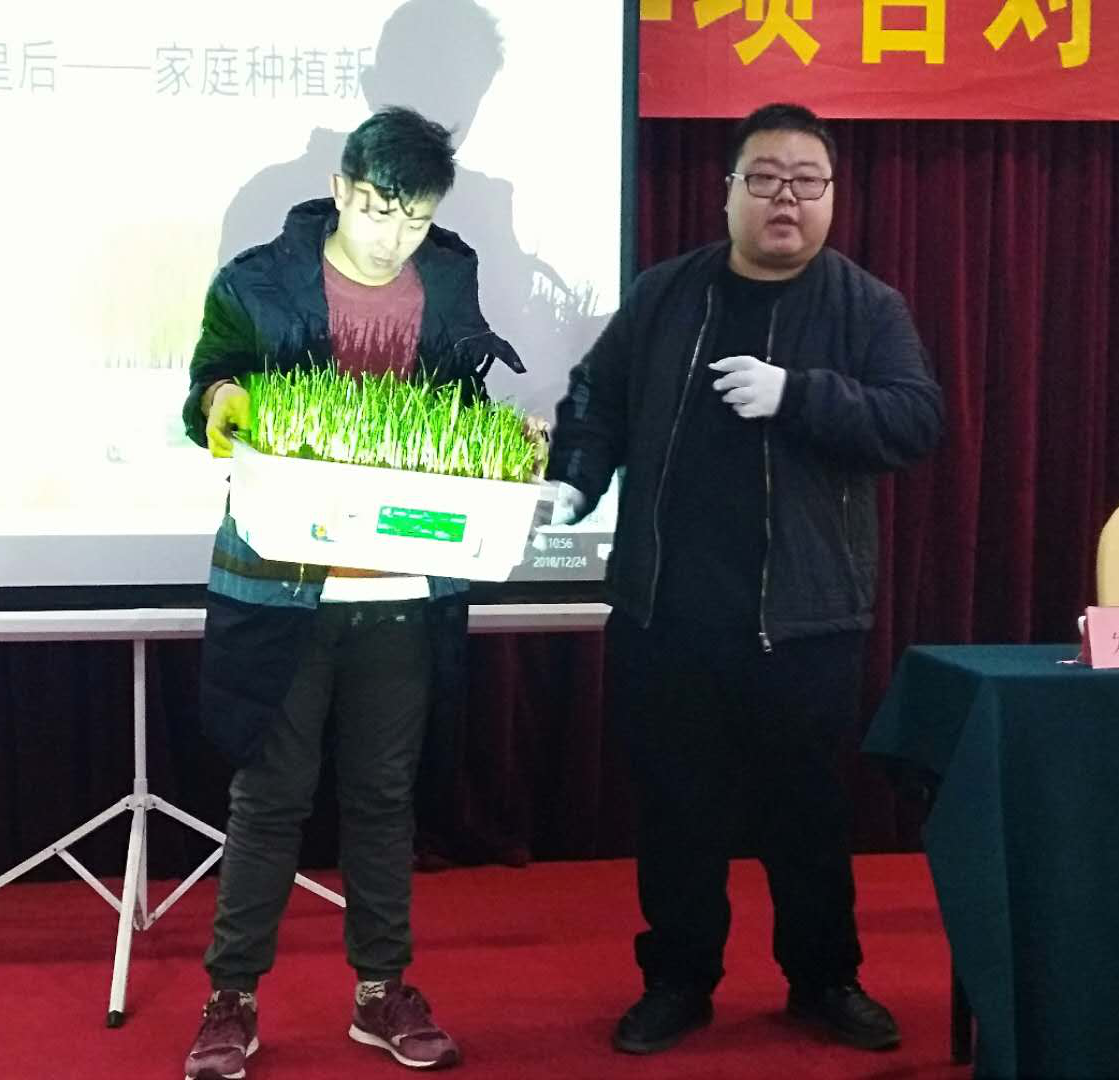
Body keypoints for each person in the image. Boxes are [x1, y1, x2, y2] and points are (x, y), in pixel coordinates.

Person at [544, 102, 943, 1056]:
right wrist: (574, 478)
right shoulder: (663, 295)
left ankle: (823, 979)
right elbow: (596, 402)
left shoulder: (866, 307)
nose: (784, 199)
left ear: (832, 196)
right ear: (727, 192)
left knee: (807, 815)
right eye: (763, 178)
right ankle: (678, 981)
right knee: (675, 813)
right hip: (666, 613)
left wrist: (799, 394)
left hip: (803, 622)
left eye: (806, 181)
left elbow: (913, 420)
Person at [179, 105, 523, 1079]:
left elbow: (460, 404)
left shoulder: (448, 278)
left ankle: (380, 992)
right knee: (269, 798)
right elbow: (207, 388)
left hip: (403, 587)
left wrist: (499, 444)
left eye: (414, 217)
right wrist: (222, 403)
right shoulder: (255, 281)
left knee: (382, 796)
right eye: (376, 209)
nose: (392, 236)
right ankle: (230, 999)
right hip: (280, 584)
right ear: (340, 189)